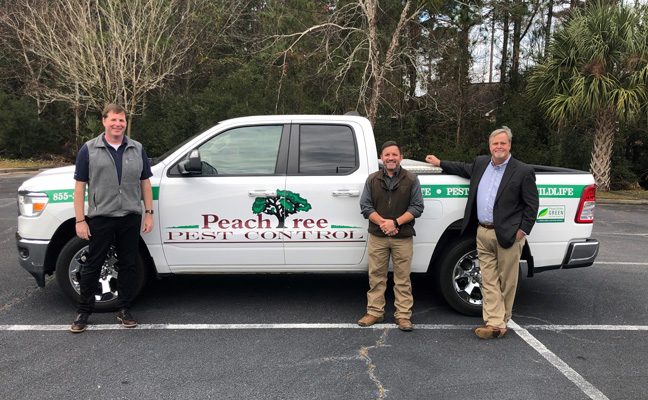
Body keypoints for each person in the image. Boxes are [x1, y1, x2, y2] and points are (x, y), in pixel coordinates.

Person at [425, 126, 539, 339]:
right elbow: (461, 167)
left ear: (509, 145)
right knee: (488, 279)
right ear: (490, 146)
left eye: (503, 143)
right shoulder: (481, 164)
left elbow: (532, 206)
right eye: (495, 143)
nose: (499, 147)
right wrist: (439, 163)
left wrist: (522, 232)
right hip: (482, 233)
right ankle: (494, 322)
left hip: (509, 235)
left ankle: (501, 321)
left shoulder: (522, 171)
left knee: (507, 280)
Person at [70, 104, 154, 333]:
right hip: (101, 217)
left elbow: (145, 182)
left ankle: (124, 309)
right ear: (104, 121)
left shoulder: (136, 149)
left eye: (122, 120)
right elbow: (80, 188)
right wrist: (80, 220)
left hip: (130, 216)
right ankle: (83, 311)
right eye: (113, 120)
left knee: (128, 264)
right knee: (93, 264)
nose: (118, 124)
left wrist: (148, 213)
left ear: (126, 123)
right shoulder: (89, 149)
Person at [358, 141, 424, 331]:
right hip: (378, 236)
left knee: (402, 278)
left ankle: (403, 315)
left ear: (401, 158)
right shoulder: (372, 180)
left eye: (394, 155)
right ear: (381, 158)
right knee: (376, 276)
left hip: (402, 236)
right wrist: (384, 224)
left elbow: (417, 207)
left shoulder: (411, 179)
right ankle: (374, 312)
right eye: (387, 155)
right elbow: (366, 207)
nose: (391, 158)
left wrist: (395, 223)